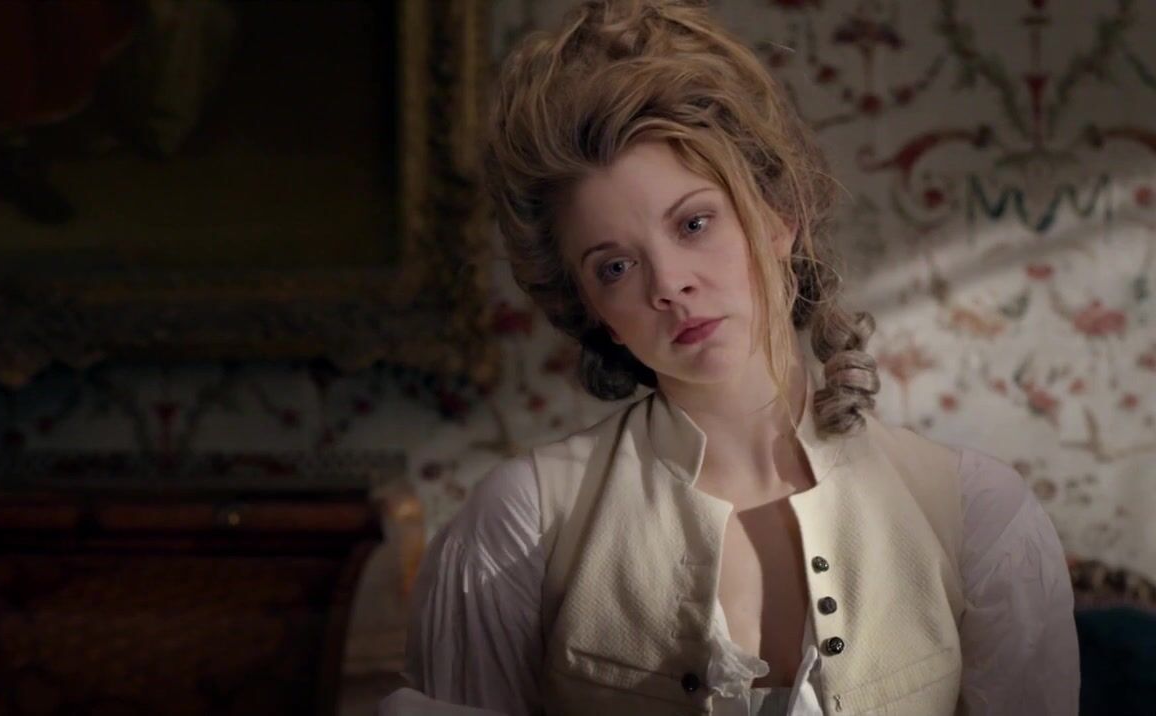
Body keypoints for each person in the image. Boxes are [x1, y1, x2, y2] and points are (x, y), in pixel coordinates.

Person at [381, 1, 1079, 714]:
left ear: (779, 220)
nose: (668, 284)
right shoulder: (520, 525)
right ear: (595, 312)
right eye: (615, 267)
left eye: (694, 223)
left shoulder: (976, 513)